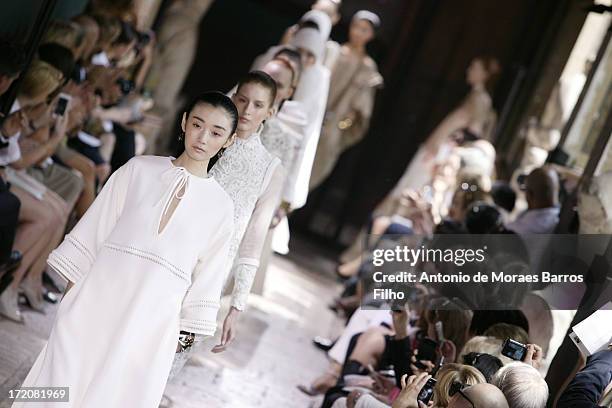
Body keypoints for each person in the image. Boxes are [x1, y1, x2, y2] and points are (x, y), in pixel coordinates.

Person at [12, 92, 237, 408]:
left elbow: (209, 277)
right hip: (93, 304)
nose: (203, 137)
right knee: (56, 389)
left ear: (228, 141)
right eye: (197, 124)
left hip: (151, 327)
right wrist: (69, 302)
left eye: (216, 132)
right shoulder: (138, 169)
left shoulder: (221, 207)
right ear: (184, 122)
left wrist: (180, 339)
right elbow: (94, 232)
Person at [209, 71, 284, 337]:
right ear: (233, 98)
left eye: (258, 105)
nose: (247, 110)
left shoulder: (270, 169)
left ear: (270, 112)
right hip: (170, 255)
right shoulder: (205, 139)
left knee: (177, 350)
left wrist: (236, 307)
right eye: (242, 100)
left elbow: (254, 238)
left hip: (212, 273)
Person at [309, 10, 383, 191]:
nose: (358, 32)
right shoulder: (332, 51)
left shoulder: (368, 68)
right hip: (311, 115)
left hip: (333, 128)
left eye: (364, 30)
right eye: (356, 27)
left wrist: (343, 126)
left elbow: (362, 110)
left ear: (371, 35)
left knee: (314, 171)